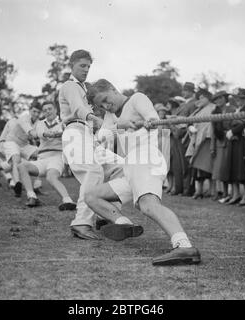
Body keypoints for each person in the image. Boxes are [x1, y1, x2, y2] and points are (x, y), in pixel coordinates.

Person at [85, 79, 201, 266]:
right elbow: (102, 136)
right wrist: (119, 127)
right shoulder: (110, 115)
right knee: (91, 196)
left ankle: (183, 245)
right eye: (101, 105)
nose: (106, 106)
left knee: (148, 205)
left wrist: (147, 122)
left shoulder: (137, 98)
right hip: (131, 168)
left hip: (146, 159)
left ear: (113, 88)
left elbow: (152, 118)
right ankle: (123, 223)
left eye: (106, 99)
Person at [59, 49, 109, 240]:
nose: (86, 69)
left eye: (89, 66)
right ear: (71, 65)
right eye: (82, 65)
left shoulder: (85, 88)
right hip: (74, 132)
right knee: (93, 171)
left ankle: (106, 213)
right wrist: (93, 118)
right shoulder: (70, 86)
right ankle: (81, 222)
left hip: (87, 134)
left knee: (118, 168)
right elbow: (79, 109)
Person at [18, 101, 77, 210]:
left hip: (57, 158)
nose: (47, 111)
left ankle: (67, 200)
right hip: (42, 159)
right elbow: (40, 133)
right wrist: (48, 133)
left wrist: (61, 133)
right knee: (22, 166)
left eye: (50, 109)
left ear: (55, 110)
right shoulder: (40, 123)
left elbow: (69, 134)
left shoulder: (63, 122)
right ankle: (32, 197)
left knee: (51, 177)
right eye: (45, 110)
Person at [3, 104, 41, 197]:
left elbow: (38, 137)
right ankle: (17, 184)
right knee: (16, 159)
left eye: (38, 112)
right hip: (12, 141)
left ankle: (37, 184)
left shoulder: (39, 123)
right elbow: (32, 133)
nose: (36, 114)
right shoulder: (23, 119)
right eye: (34, 111)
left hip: (24, 144)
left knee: (41, 154)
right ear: (30, 110)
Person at [186, 89, 215, 199]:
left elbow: (210, 126)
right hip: (195, 138)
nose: (200, 99)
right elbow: (190, 121)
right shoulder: (198, 110)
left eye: (203, 97)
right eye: (199, 97)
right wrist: (190, 127)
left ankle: (212, 191)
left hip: (207, 139)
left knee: (206, 167)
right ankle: (199, 190)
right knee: (196, 167)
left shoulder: (213, 108)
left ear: (208, 97)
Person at [226, 88, 245, 205]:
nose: (238, 100)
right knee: (233, 167)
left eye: (241, 97)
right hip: (234, 141)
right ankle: (236, 194)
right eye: (237, 97)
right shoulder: (237, 109)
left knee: (242, 169)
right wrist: (230, 132)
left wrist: (233, 131)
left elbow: (244, 123)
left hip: (243, 140)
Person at [210, 91, 236, 201]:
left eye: (220, 98)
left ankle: (227, 193)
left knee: (225, 168)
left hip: (230, 140)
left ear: (225, 98)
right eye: (216, 99)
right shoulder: (214, 112)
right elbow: (213, 131)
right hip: (218, 141)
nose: (218, 101)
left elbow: (236, 124)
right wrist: (212, 146)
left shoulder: (232, 109)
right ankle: (217, 192)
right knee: (216, 170)